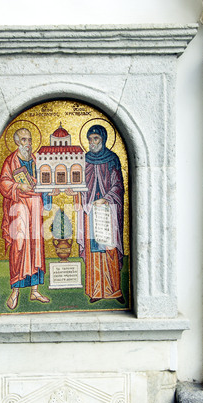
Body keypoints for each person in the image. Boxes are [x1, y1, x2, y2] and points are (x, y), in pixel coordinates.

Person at [0, 128, 51, 310]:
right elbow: (3, 183)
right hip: (19, 206)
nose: (27, 143)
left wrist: (48, 187)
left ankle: (35, 290)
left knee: (36, 246)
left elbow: (47, 179)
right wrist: (18, 185)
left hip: (35, 206)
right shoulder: (11, 161)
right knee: (19, 246)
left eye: (29, 139)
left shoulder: (37, 160)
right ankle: (15, 291)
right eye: (23, 140)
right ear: (17, 142)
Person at [76, 124, 125, 304]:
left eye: (95, 138)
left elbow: (118, 186)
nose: (92, 142)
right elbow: (79, 184)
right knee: (94, 252)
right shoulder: (84, 160)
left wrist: (106, 198)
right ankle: (96, 290)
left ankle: (115, 290)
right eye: (89, 139)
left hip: (108, 212)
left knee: (109, 250)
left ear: (103, 139)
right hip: (91, 213)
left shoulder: (112, 159)